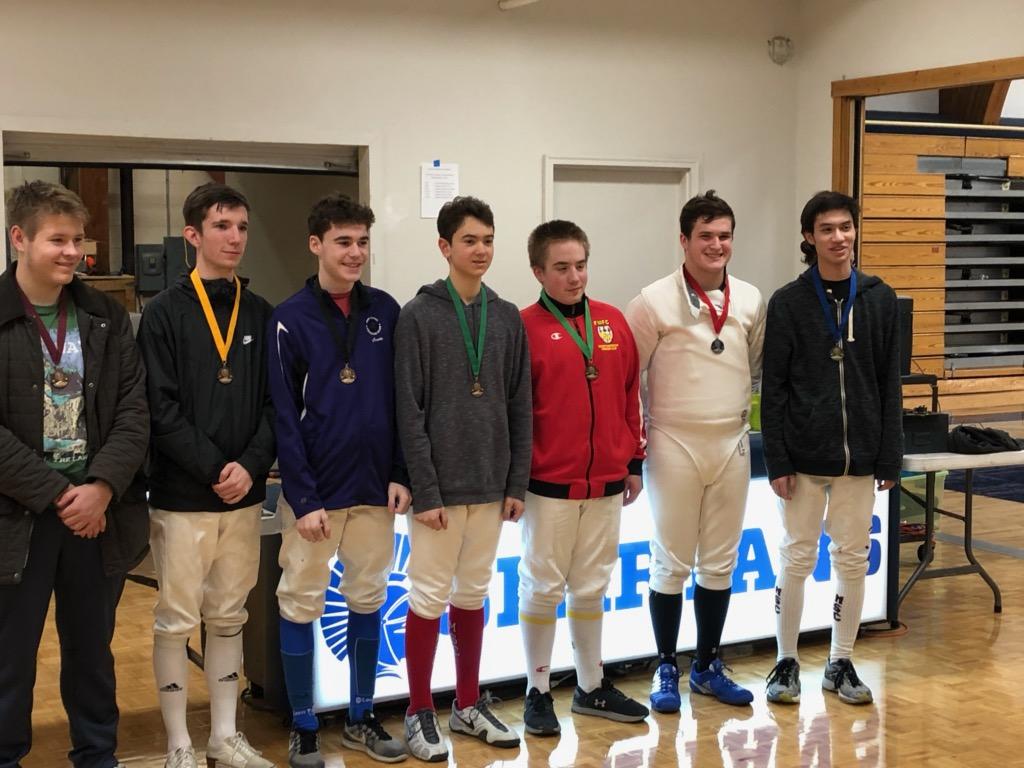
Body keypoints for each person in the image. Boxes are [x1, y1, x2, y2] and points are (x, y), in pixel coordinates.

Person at [0, 180, 149, 768]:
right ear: (19, 238)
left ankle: (96, 754)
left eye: (78, 240)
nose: (72, 252)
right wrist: (61, 494)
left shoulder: (104, 316)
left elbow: (134, 410)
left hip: (96, 517)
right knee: (10, 656)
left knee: (92, 653)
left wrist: (102, 486)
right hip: (19, 518)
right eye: (57, 239)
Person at [137, 183, 276, 768]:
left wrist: (251, 465)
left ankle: (224, 734)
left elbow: (276, 405)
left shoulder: (261, 312)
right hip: (182, 496)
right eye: (222, 226)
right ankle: (179, 744)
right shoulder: (163, 313)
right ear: (192, 234)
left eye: (241, 226)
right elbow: (158, 406)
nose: (235, 237)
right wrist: (217, 467)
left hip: (243, 497)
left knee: (228, 615)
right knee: (176, 619)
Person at [269, 193, 410, 766]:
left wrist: (400, 473)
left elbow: (402, 401)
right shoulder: (289, 318)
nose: (355, 253)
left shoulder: (386, 311)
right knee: (300, 600)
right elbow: (283, 415)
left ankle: (361, 715)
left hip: (374, 488)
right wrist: (302, 497)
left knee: (368, 596)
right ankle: (304, 722)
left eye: (362, 242)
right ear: (316, 244)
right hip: (316, 495)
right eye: (343, 242)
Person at [395, 196, 531, 762]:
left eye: (488, 240)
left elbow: (520, 403)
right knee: (428, 597)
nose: (481, 250)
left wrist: (516, 483)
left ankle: (468, 703)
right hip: (440, 492)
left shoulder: (507, 316)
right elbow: (408, 410)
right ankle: (418, 709)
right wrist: (425, 490)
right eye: (470, 240)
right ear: (445, 246)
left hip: (491, 485)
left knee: (473, 594)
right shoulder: (418, 315)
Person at [625, 191, 765, 711]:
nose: (716, 245)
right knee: (671, 561)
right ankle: (666, 665)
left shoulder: (749, 299)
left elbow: (754, 365)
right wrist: (633, 451)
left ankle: (707, 665)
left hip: (730, 440)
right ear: (683, 240)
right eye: (705, 235)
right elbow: (628, 378)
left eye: (724, 235)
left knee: (721, 561)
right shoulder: (651, 301)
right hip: (673, 441)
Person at [761, 190, 901, 706]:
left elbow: (890, 382)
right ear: (809, 237)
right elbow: (773, 388)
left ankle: (840, 661)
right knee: (797, 556)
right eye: (826, 229)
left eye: (845, 227)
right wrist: (777, 458)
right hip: (803, 459)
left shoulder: (880, 298)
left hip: (860, 459)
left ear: (855, 231)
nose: (838, 237)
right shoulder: (789, 302)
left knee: (852, 560)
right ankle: (785, 661)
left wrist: (889, 454)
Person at [517, 219, 649, 736]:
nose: (575, 277)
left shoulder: (613, 322)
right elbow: (515, 412)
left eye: (581, 265)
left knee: (593, 585)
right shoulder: (523, 328)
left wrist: (633, 461)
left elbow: (630, 396)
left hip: (608, 484)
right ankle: (537, 690)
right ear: (538, 271)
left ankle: (591, 685)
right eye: (562, 268)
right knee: (544, 586)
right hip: (548, 485)